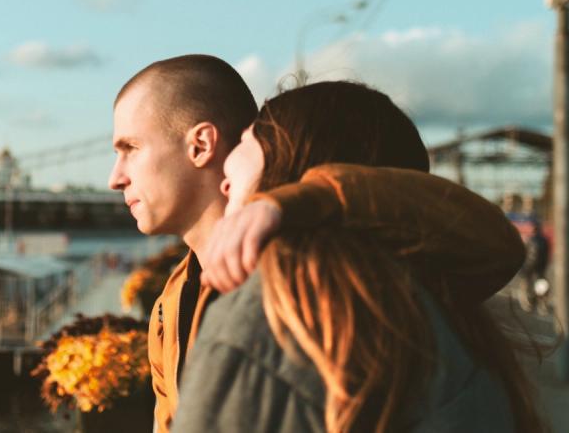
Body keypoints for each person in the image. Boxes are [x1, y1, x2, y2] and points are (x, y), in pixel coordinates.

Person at [108, 56, 525, 432]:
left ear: (201, 144)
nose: (114, 178)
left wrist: (296, 202)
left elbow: (489, 235)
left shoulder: (281, 304)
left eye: (130, 148)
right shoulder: (171, 304)